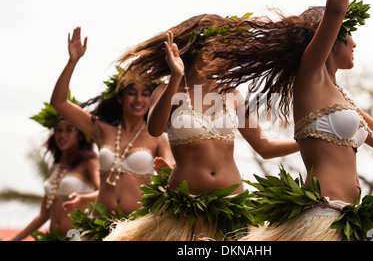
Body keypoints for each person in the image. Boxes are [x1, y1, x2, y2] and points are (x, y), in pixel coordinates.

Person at [200, 0, 373, 240]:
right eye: (349, 34)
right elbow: (336, 10)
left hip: (351, 219)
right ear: (333, 37)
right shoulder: (311, 76)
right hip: (322, 217)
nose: (354, 43)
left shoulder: (345, 100)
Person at [104, 14, 300, 241]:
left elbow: (264, 146)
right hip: (184, 210)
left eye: (221, 47)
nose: (217, 52)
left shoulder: (232, 94)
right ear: (194, 48)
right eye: (211, 46)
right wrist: (176, 77)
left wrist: (305, 141)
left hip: (230, 209)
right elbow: (155, 129)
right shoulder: (169, 92)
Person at [50, 27, 174, 220]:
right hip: (99, 223)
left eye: (145, 93)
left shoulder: (158, 137)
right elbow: (59, 102)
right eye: (132, 92)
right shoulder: (101, 130)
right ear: (120, 98)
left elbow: (172, 173)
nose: (138, 99)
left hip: (135, 228)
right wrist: (72, 61)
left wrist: (167, 170)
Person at [5, 103, 99, 241]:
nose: (62, 135)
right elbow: (44, 215)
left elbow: (104, 191)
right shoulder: (55, 166)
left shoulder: (89, 161)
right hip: (54, 237)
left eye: (69, 130)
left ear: (80, 135)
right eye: (58, 130)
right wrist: (13, 239)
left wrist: (82, 198)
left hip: (79, 237)